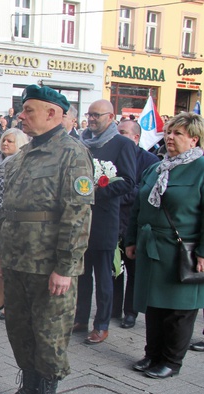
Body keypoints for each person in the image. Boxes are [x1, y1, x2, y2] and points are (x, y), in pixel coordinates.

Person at [0, 85, 93, 394]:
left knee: (49, 333)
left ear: (52, 114)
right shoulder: (20, 157)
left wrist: (65, 267)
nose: (22, 116)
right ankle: (28, 389)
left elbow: (78, 214)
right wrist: (2, 254)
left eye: (30, 110)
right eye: (23, 109)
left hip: (50, 264)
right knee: (19, 329)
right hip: (18, 259)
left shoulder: (72, 154)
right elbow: (8, 211)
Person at [125, 112, 204, 378]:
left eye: (178, 133)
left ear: (194, 140)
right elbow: (138, 204)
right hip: (152, 247)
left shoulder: (201, 169)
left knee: (179, 309)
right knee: (155, 305)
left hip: (182, 250)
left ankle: (171, 361)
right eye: (169, 132)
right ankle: (152, 355)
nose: (170, 137)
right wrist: (132, 239)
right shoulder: (157, 167)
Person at [75, 100, 136, 344]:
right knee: (81, 274)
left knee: (103, 277)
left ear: (111, 117)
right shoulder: (81, 142)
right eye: (89, 114)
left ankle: (101, 324)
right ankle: (80, 318)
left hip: (104, 220)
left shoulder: (121, 144)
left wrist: (97, 191)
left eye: (96, 115)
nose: (91, 119)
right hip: (81, 221)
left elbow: (129, 181)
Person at [112, 120, 160, 329]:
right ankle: (113, 308)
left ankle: (130, 312)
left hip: (135, 224)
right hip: (113, 221)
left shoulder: (149, 160)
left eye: (122, 132)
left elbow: (143, 190)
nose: (118, 136)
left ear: (136, 138)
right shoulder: (113, 155)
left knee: (133, 270)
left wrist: (114, 195)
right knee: (114, 269)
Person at [0, 128, 30, 320]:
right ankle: (0, 299)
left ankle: (13, 303)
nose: (5, 144)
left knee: (9, 265)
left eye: (10, 141)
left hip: (11, 221)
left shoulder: (21, 164)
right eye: (4, 140)